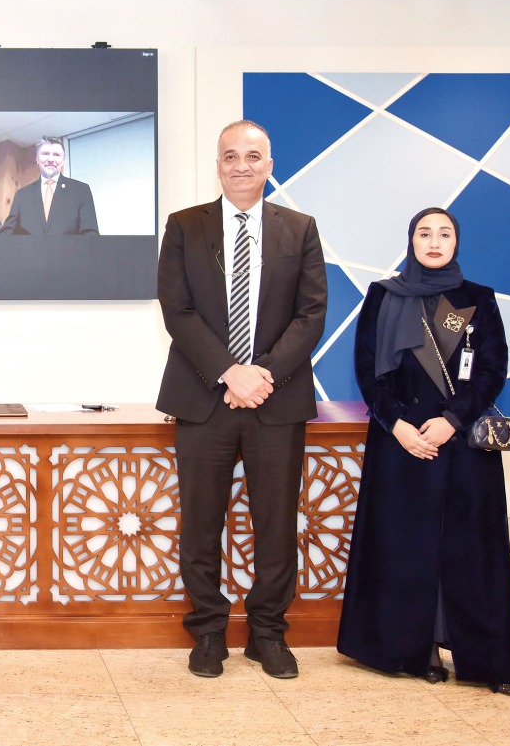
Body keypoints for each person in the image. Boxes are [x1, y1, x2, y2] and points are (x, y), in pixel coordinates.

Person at [156, 120, 327, 680]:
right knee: (200, 523)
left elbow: (311, 315)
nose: (241, 165)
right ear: (218, 164)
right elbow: (176, 310)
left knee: (276, 523)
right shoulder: (184, 225)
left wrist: (261, 376)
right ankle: (207, 631)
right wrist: (230, 373)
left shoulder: (300, 229)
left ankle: (268, 634)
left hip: (275, 402)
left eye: (253, 156)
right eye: (230, 155)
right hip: (203, 398)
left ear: (269, 165)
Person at [338, 208, 510, 695]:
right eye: (425, 233)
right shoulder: (384, 295)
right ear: (411, 241)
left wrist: (452, 421)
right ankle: (415, 653)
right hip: (401, 443)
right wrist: (397, 425)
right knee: (406, 552)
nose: (434, 241)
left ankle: (483, 659)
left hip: (462, 446)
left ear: (456, 242)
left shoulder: (477, 298)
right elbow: (366, 370)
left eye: (444, 233)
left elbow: (492, 369)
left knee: (470, 553)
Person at [0, 136, 98, 235]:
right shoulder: (22, 195)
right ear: (37, 159)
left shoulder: (81, 190)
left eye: (56, 155)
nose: (51, 159)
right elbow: (7, 233)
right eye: (45, 154)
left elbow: (90, 234)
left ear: (63, 160)